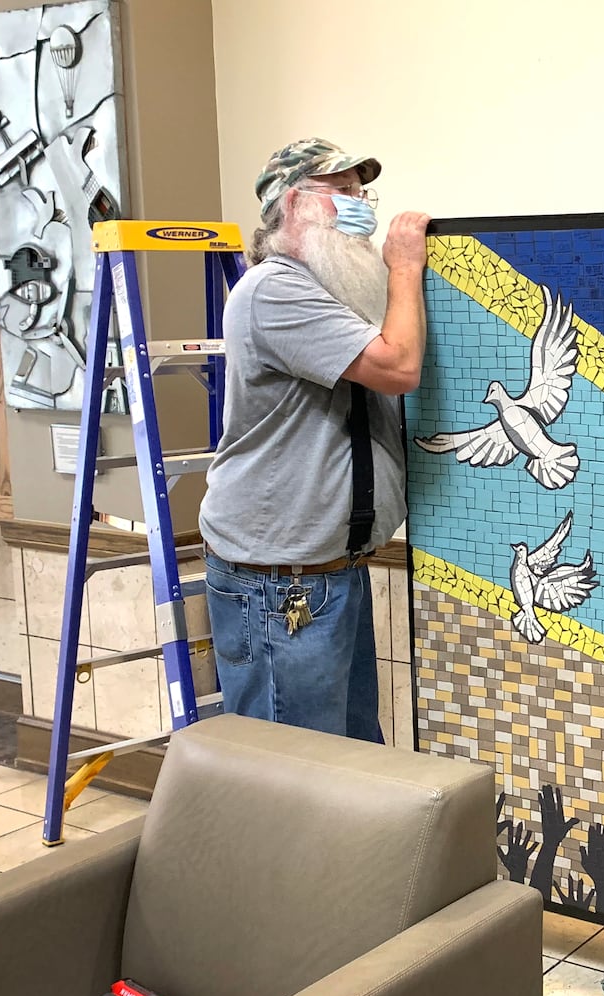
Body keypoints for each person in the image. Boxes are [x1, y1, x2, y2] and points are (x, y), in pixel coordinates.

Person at [198, 138, 431, 741]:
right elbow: (399, 366)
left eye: (362, 191)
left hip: (328, 570)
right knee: (294, 770)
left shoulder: (331, 289)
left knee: (348, 760)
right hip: (280, 582)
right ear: (296, 204)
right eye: (344, 192)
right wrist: (404, 266)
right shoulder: (275, 291)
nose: (361, 206)